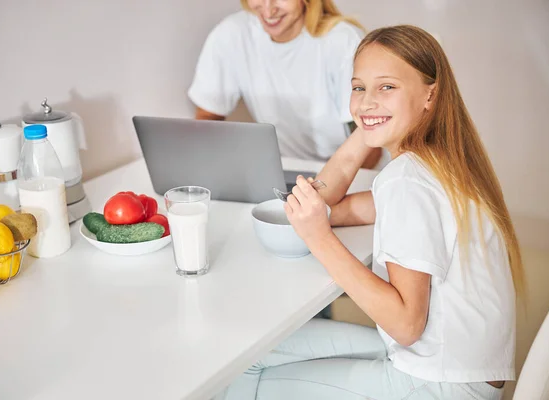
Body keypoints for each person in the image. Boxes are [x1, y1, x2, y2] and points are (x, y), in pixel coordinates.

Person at [214, 25, 524, 400]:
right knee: (252, 349)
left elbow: (406, 324)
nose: (365, 100)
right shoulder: (441, 163)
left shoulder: (407, 180)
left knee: (239, 370)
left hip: (438, 382)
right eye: (358, 87)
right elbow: (334, 207)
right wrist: (370, 121)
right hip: (456, 365)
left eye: (387, 87)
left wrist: (318, 236)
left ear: (431, 95)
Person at [188, 0, 385, 169]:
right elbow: (207, 117)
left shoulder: (342, 42)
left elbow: (371, 146)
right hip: (286, 171)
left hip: (351, 173)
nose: (268, 9)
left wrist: (325, 188)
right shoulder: (232, 35)